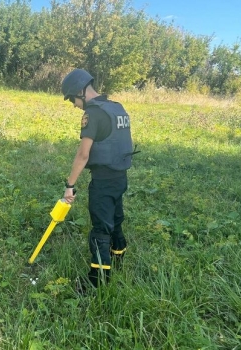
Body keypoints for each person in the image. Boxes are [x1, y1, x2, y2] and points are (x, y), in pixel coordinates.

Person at [61, 68, 137, 291]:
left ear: (80, 92)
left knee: (100, 229)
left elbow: (83, 154)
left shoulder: (93, 114)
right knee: (116, 219)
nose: (74, 105)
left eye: (72, 100)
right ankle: (118, 258)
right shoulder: (117, 107)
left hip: (103, 181)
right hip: (120, 178)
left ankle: (97, 280)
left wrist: (70, 186)